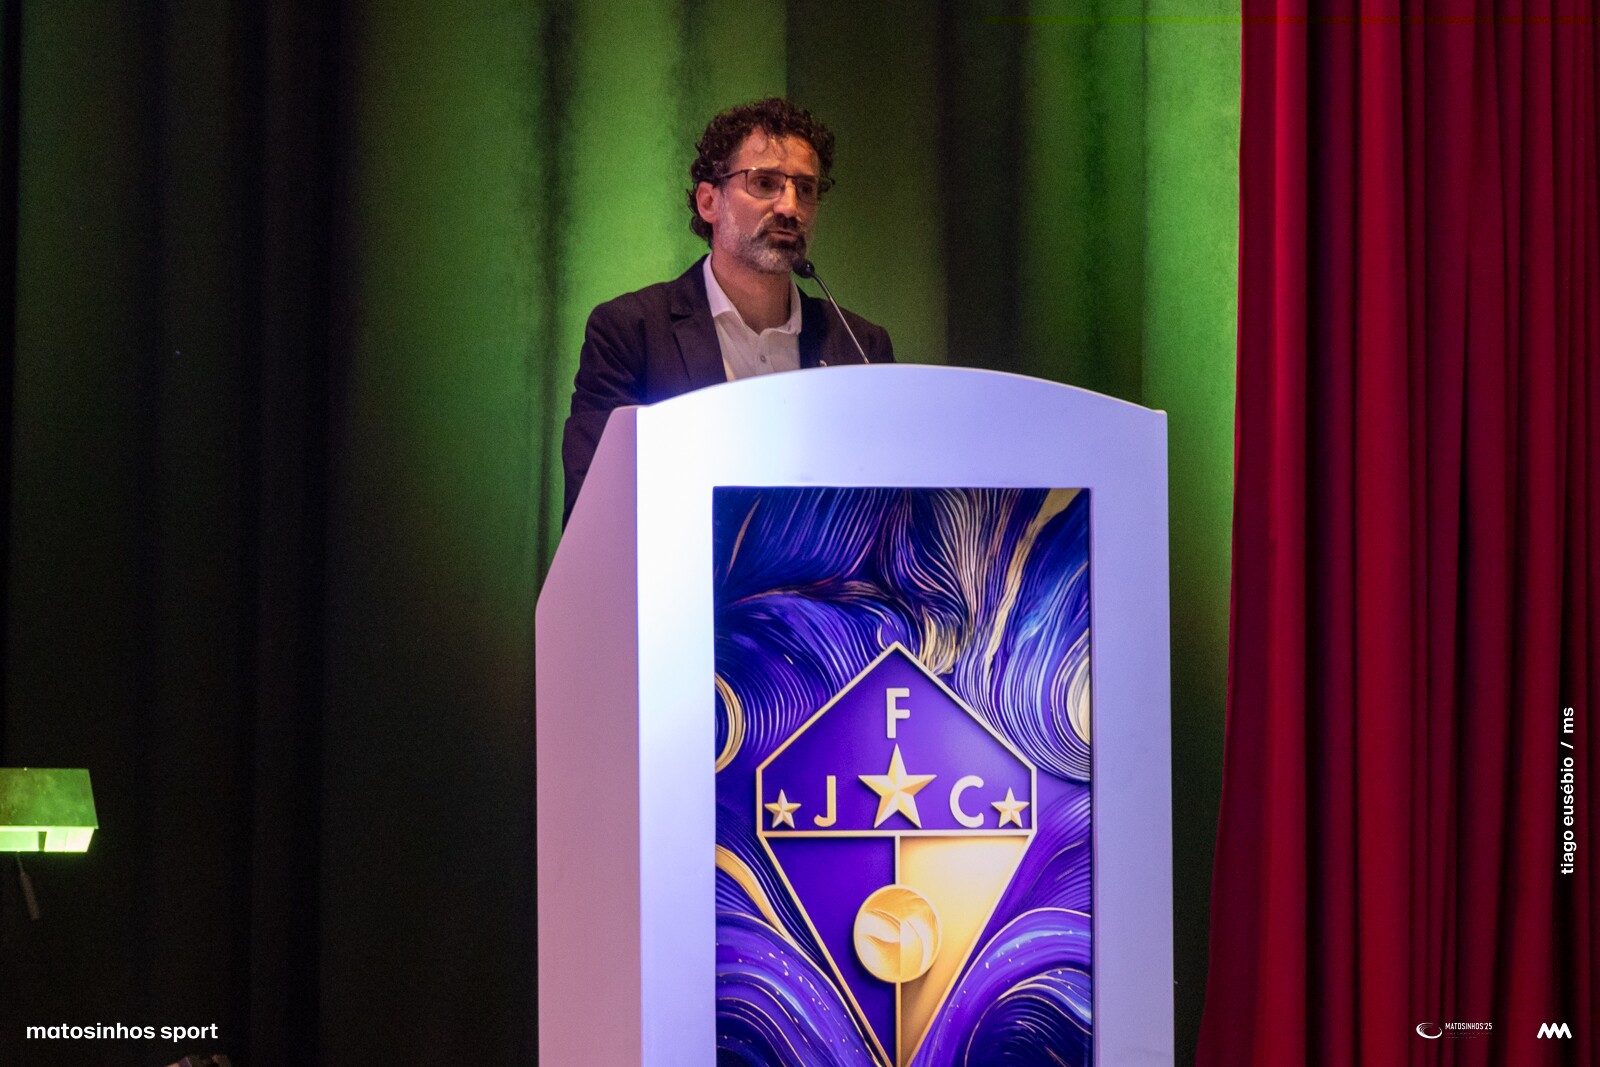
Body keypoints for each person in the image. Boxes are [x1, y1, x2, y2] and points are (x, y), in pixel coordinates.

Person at [560, 98, 895, 522]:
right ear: (708, 202)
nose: (790, 207)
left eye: (806, 189)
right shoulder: (631, 333)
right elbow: (593, 512)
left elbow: (891, 513)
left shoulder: (860, 347)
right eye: (765, 183)